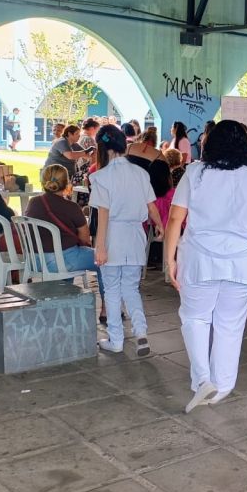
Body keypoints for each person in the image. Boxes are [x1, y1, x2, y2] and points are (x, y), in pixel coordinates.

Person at [165, 120, 247, 412]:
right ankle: (222, 385)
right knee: (230, 324)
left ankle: (202, 379)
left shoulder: (195, 173)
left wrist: (170, 258)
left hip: (200, 258)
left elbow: (176, 218)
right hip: (243, 262)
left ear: (209, 142)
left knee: (195, 318)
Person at [90, 124, 163, 356]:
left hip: (112, 235)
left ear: (102, 148)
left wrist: (100, 246)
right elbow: (151, 206)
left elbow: (103, 214)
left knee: (111, 290)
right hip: (136, 236)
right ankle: (141, 333)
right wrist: (159, 225)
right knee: (131, 288)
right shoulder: (141, 173)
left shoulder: (100, 176)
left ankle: (116, 339)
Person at [25, 164, 104, 295]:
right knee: (105, 261)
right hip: (63, 261)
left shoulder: (33, 202)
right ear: (66, 182)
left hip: (35, 261)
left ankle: (62, 294)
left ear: (43, 180)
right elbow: (85, 238)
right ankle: (106, 309)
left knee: (69, 255)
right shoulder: (72, 207)